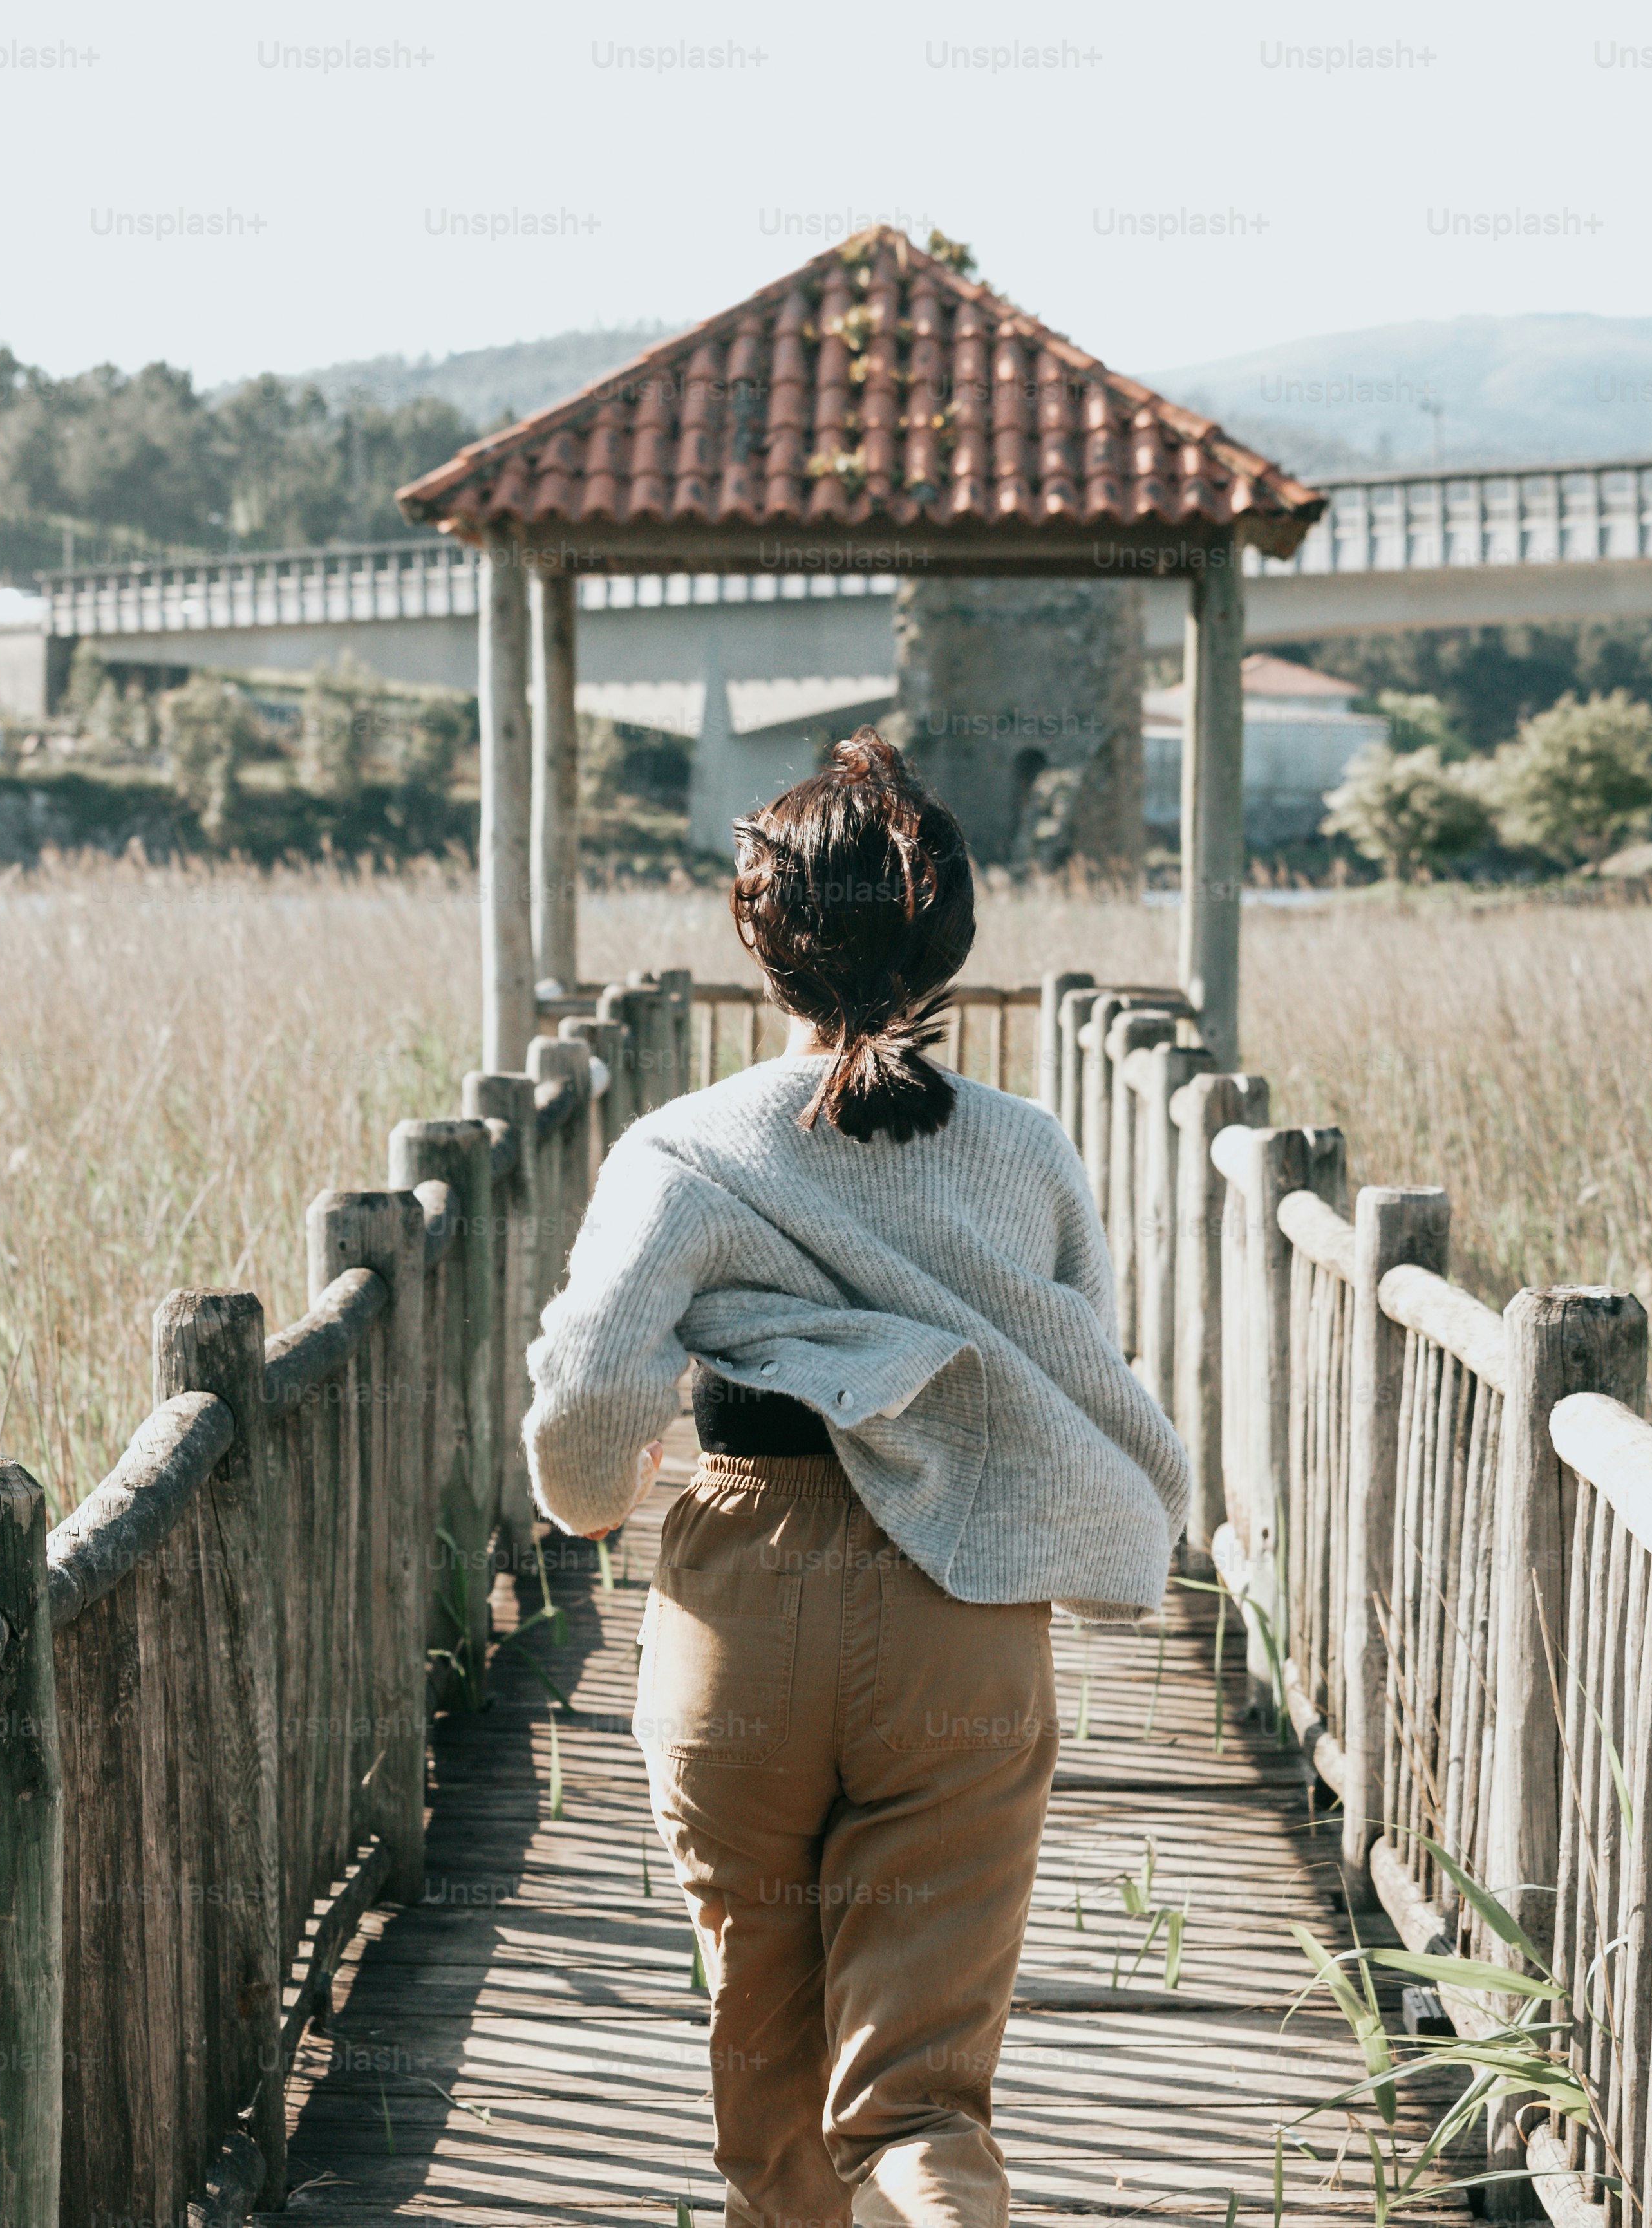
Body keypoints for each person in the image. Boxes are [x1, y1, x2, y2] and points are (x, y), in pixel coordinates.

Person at [522, 731, 1190, 2225]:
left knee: (764, 2056)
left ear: (760, 943)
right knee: (922, 2097)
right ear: (950, 945)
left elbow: (588, 1396)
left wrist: (588, 1503)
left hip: (739, 1604)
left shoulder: (685, 1147)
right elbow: (1077, 1365)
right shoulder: (1026, 1150)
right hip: (961, 1604)